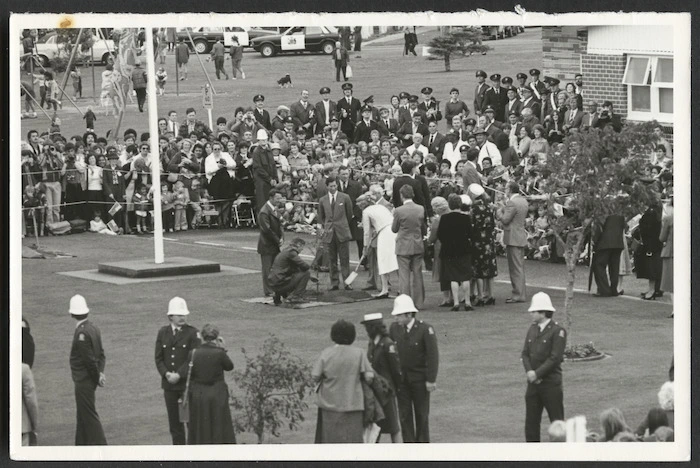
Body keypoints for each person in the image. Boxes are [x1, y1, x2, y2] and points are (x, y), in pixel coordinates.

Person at [313, 319, 374, 443]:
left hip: (330, 407)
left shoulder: (326, 353)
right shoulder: (359, 353)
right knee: (353, 444)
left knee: (331, 445)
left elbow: (315, 376)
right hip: (353, 405)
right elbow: (369, 377)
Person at [389, 294, 438, 443]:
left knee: (422, 416)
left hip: (420, 380)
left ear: (409, 314)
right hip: (402, 381)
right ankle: (409, 447)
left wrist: (431, 379)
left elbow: (432, 356)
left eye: (399, 315)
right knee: (404, 415)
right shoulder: (394, 329)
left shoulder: (425, 329)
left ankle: (422, 448)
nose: (396, 318)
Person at [178, 324, 236, 444]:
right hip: (217, 394)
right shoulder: (219, 353)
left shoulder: (193, 353)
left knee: (200, 426)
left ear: (203, 337)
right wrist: (222, 348)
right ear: (216, 337)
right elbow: (229, 367)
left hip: (199, 395)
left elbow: (186, 372)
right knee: (219, 426)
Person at [154, 297, 201, 445]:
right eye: (179, 315)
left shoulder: (193, 333)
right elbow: (158, 358)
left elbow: (192, 359)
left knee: (190, 424)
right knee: (175, 426)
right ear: (170, 317)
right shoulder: (163, 333)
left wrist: (178, 374)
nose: (183, 317)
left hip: (186, 386)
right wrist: (167, 374)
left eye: (184, 315)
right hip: (169, 386)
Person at [521, 292, 567, 442]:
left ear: (543, 312)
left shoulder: (557, 331)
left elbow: (555, 358)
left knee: (557, 422)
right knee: (531, 423)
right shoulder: (532, 329)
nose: (532, 314)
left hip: (550, 385)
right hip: (534, 385)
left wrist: (537, 374)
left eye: (534, 311)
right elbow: (525, 353)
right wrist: (529, 372)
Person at [68, 294, 107, 445]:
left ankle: (102, 447)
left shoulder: (82, 333)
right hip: (90, 379)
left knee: (89, 415)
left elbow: (89, 360)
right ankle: (80, 446)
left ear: (72, 313)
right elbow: (101, 355)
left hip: (84, 380)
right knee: (82, 414)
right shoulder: (94, 328)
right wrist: (101, 373)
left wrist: (97, 376)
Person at [361, 313, 403, 443]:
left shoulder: (387, 344)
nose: (366, 331)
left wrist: (396, 388)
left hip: (386, 391)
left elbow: (396, 369)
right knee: (375, 425)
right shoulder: (372, 343)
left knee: (393, 427)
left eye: (368, 328)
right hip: (375, 391)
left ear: (374, 328)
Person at [437, 193, 475, 311]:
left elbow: (440, 235)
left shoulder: (444, 218)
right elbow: (471, 234)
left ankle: (456, 302)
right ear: (460, 204)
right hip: (464, 249)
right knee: (465, 277)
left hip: (449, 250)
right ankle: (468, 302)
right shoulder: (466, 218)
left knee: (453, 277)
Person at [357, 193, 397, 298]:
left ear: (362, 205)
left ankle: (384, 290)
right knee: (396, 260)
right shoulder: (380, 207)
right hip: (394, 231)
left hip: (385, 233)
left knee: (382, 260)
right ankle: (402, 289)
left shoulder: (366, 212)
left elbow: (366, 232)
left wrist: (365, 248)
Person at [392, 185, 426, 309]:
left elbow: (394, 229)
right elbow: (422, 225)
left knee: (404, 274)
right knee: (417, 274)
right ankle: (419, 302)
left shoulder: (398, 210)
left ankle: (405, 303)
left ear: (402, 195)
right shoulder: (420, 208)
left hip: (403, 245)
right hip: (417, 243)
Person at [317, 177, 354, 290]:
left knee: (344, 259)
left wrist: (342, 225)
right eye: (331, 186)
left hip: (342, 232)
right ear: (327, 187)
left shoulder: (345, 197)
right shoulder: (322, 200)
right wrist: (326, 227)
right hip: (329, 233)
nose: (333, 188)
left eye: (335, 186)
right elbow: (321, 217)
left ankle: (347, 282)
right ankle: (334, 283)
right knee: (331, 259)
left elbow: (349, 214)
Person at [497, 181, 529, 303]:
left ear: (510, 190)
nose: (505, 190)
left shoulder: (512, 202)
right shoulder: (523, 201)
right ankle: (520, 293)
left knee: (515, 268)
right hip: (520, 235)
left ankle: (518, 294)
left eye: (506, 188)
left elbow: (505, 219)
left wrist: (499, 210)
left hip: (513, 237)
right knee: (519, 266)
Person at [468, 184, 498, 306]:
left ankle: (479, 295)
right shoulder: (489, 207)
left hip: (477, 242)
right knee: (489, 269)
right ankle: (490, 295)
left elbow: (471, 226)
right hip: (489, 241)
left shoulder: (473, 209)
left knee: (478, 270)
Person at [268, 237, 312, 305]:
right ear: (298, 245)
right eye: (302, 247)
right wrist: (312, 267)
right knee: (306, 273)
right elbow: (304, 265)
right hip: (280, 283)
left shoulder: (285, 251)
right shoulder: (291, 252)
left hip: (274, 282)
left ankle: (278, 294)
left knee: (295, 274)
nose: (302, 249)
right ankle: (296, 296)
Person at [635, 200, 663, 300]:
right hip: (656, 244)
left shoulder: (650, 213)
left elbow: (646, 228)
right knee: (655, 267)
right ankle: (655, 289)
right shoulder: (658, 211)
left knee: (651, 268)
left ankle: (652, 290)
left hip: (650, 244)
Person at [591, 214, 625, 297]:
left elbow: (598, 229)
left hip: (604, 242)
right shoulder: (620, 213)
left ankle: (604, 289)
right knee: (614, 267)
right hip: (617, 242)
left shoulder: (603, 213)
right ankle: (614, 289)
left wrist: (594, 240)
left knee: (599, 265)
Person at [257, 189, 284, 297]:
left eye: (280, 198)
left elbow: (279, 225)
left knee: (275, 268)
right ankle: (268, 291)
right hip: (266, 244)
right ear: (271, 198)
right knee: (267, 269)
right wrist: (278, 240)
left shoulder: (273, 209)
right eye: (277, 198)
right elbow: (267, 230)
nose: (279, 200)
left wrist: (281, 237)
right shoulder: (264, 211)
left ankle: (274, 288)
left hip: (273, 244)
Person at [251, 129, 277, 212]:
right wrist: (270, 179)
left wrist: (275, 179)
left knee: (271, 202)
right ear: (258, 140)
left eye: (265, 140)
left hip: (270, 180)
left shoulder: (269, 150)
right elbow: (258, 168)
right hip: (261, 181)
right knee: (262, 203)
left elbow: (273, 165)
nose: (264, 141)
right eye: (262, 140)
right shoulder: (256, 152)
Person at [659, 198, 674, 311]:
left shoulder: (669, 219)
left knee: (671, 283)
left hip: (671, 251)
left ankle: (675, 309)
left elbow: (662, 237)